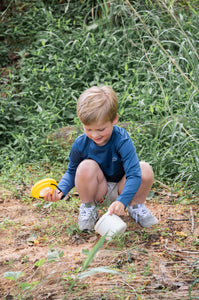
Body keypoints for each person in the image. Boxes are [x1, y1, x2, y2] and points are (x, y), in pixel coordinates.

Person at [44, 85, 158, 231]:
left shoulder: (122, 140)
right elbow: (72, 171)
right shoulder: (80, 143)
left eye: (101, 129)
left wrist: (122, 201)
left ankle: (135, 206)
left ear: (114, 119)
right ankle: (89, 208)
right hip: (99, 190)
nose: (95, 135)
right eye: (88, 129)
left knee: (145, 169)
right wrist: (60, 190)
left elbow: (134, 174)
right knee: (85, 166)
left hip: (123, 190)